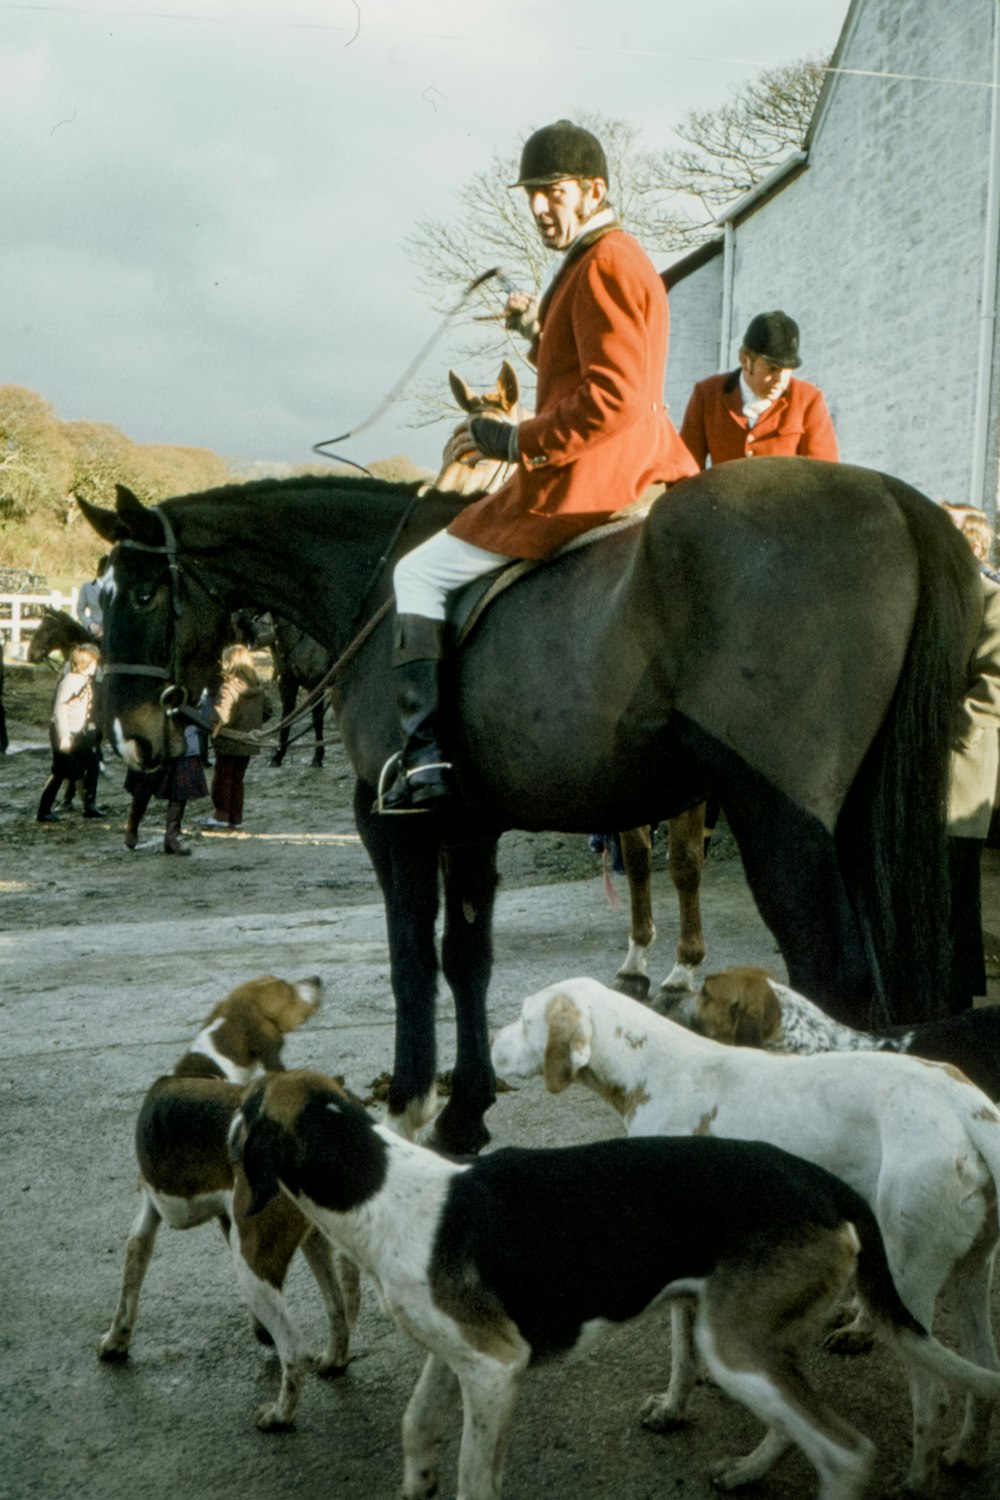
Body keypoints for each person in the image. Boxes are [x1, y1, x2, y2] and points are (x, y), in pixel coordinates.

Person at [382, 118, 697, 813]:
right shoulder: (607, 257)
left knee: (418, 571)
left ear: (594, 188)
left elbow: (613, 398)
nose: (538, 208)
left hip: (590, 476)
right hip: (636, 461)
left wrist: (510, 442)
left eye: (551, 192)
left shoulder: (606, 262)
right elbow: (586, 367)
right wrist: (536, 333)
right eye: (532, 196)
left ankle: (424, 757)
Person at [941, 502, 1000, 1009]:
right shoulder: (934, 601)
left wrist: (936, 736)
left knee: (957, 890)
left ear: (976, 547)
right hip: (921, 775)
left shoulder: (992, 601)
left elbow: (993, 690)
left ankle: (957, 1004)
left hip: (960, 772)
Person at [679, 311, 839, 468]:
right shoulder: (707, 395)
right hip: (725, 495)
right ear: (745, 362)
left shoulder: (808, 399)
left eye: (788, 369)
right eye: (772, 369)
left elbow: (824, 475)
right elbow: (685, 470)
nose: (781, 379)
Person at [124, 692, 211, 855]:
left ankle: (171, 837)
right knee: (143, 787)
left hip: (184, 743)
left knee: (180, 793)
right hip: (154, 741)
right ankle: (132, 826)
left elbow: (204, 712)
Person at [36, 642, 105, 822]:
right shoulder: (71, 681)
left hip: (78, 732)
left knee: (92, 764)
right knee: (60, 772)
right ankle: (43, 811)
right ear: (85, 664)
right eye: (94, 663)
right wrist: (65, 736)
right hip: (64, 732)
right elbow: (60, 709)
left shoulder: (85, 681)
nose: (97, 667)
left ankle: (89, 805)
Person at [204, 645, 268, 829]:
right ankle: (235, 817)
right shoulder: (258, 687)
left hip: (229, 740)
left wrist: (213, 722)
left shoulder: (230, 686)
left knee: (223, 777)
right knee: (238, 779)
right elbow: (268, 710)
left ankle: (220, 815)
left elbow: (222, 715)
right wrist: (251, 723)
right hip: (248, 741)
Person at [76, 556, 110, 640]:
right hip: (93, 634)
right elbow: (80, 611)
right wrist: (90, 625)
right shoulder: (87, 587)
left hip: (112, 635)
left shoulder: (117, 589)